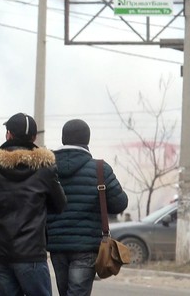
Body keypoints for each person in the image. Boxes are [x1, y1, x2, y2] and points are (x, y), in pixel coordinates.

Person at [0, 113, 67, 296]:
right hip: (32, 253)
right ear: (34, 137)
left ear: (8, 134)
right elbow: (60, 205)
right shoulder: (45, 168)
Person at [46, 119, 128, 296]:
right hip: (86, 245)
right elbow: (120, 204)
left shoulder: (48, 168)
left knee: (64, 292)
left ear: (63, 139)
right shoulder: (100, 169)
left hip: (57, 243)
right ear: (87, 140)